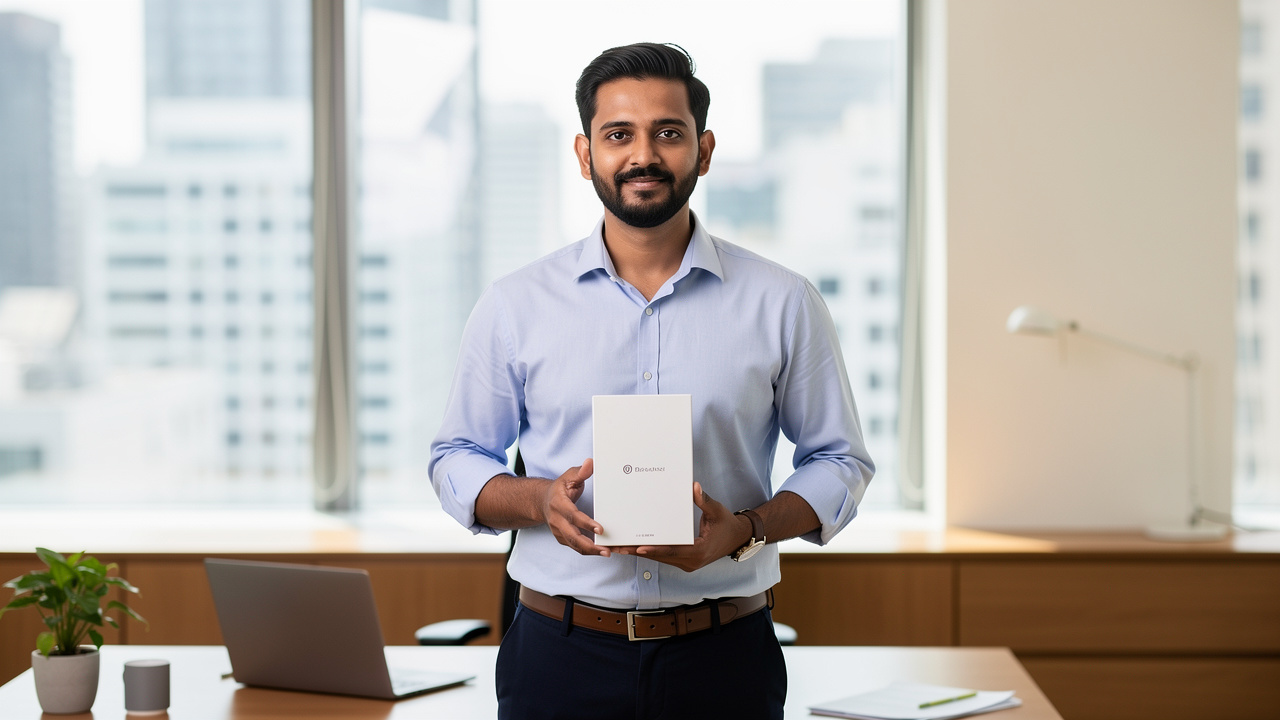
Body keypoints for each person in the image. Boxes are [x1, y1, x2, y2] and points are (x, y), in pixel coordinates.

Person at [429, 42, 873, 720]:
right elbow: (456, 458)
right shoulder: (515, 305)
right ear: (585, 155)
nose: (644, 155)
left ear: (704, 149)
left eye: (669, 132)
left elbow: (841, 463)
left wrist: (747, 529)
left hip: (724, 659)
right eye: (619, 135)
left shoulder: (783, 301)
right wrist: (538, 499)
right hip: (557, 657)